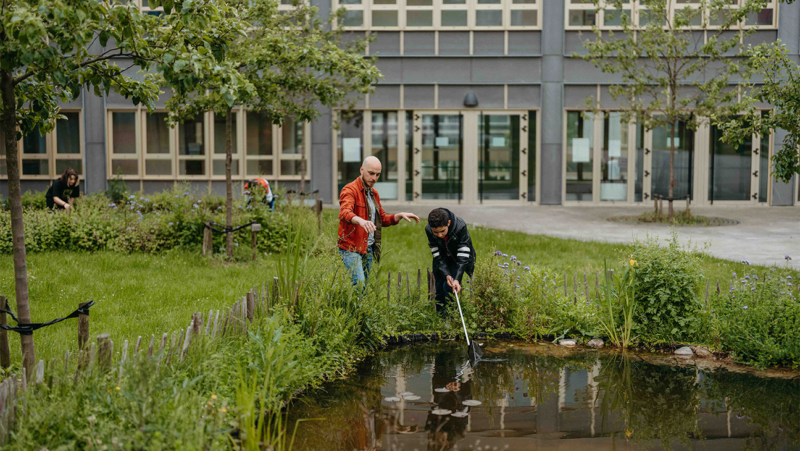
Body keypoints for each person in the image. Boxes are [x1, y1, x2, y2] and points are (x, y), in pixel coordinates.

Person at [338, 156, 419, 287]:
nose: (374, 178)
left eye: (377, 175)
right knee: (359, 284)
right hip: (351, 248)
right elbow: (344, 213)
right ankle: (351, 307)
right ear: (361, 170)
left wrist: (398, 216)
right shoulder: (350, 190)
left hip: (368, 248)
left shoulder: (373, 193)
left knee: (362, 288)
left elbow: (382, 219)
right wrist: (361, 221)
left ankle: (359, 308)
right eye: (371, 173)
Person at [425, 208, 476, 315]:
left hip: (458, 259)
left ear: (448, 223)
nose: (439, 235)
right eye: (436, 232)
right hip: (442, 259)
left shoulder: (460, 226)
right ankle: (441, 318)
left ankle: (451, 317)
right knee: (439, 289)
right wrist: (446, 273)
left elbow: (463, 255)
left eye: (442, 231)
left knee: (449, 288)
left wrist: (457, 278)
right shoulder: (429, 230)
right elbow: (437, 255)